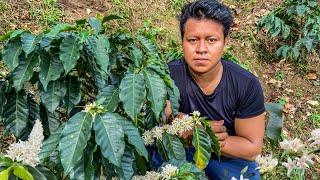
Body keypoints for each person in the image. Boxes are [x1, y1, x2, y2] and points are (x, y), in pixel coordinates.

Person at [165, 0, 266, 179]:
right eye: (192, 40)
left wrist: (205, 137)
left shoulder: (246, 84)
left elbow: (251, 148)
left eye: (211, 40)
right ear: (182, 41)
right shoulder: (167, 76)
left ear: (225, 41)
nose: (201, 49)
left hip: (226, 157)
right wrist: (185, 125)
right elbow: (162, 119)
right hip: (181, 149)